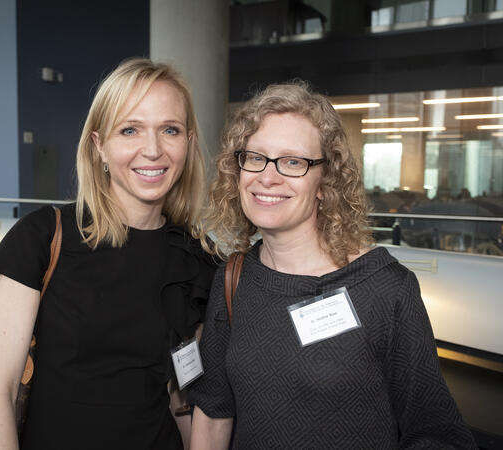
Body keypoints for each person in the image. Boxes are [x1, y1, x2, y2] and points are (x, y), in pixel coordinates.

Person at [189, 81, 477, 449]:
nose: (267, 176)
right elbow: (214, 411)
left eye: (293, 162)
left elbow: (437, 434)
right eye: (256, 157)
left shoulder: (385, 289)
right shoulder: (233, 279)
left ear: (325, 182)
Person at [0, 58, 216, 449]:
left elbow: (181, 398)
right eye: (130, 130)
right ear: (99, 145)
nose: (153, 149)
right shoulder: (43, 238)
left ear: (187, 143)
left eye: (169, 130)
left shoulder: (197, 261)